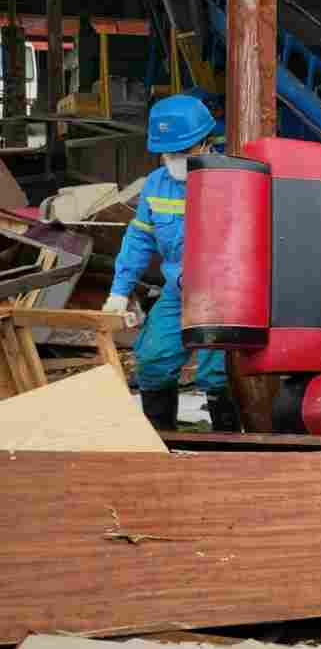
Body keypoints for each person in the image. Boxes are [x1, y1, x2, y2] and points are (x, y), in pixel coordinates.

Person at [105, 94, 238, 433]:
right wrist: (120, 291)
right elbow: (138, 241)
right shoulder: (155, 185)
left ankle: (232, 445)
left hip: (227, 294)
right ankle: (163, 444)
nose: (175, 159)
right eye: (169, 153)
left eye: (184, 151)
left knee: (217, 372)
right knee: (151, 361)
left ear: (208, 143)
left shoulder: (233, 180)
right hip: (178, 292)